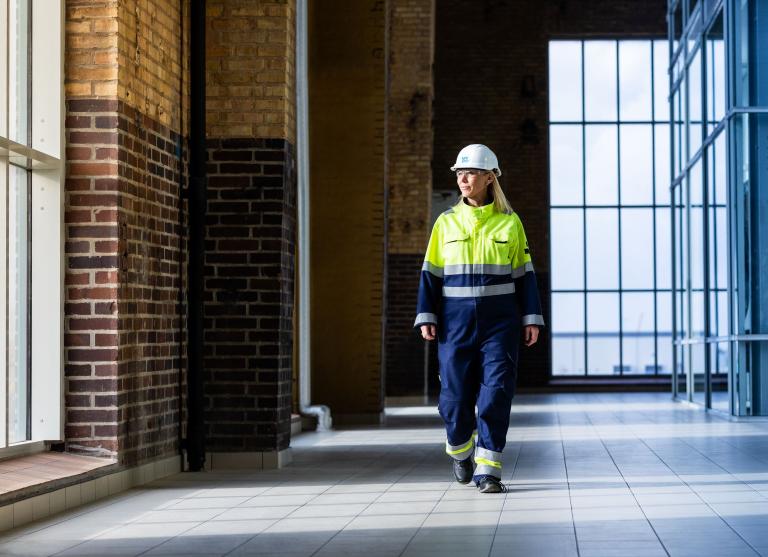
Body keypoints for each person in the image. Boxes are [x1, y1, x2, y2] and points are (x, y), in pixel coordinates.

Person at [414, 144, 544, 493]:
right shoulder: (446, 222)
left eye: (469, 173)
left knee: (496, 393)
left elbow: (525, 274)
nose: (463, 179)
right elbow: (431, 273)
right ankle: (460, 451)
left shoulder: (510, 222)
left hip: (500, 324)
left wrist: (531, 317)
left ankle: (488, 471)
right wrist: (426, 314)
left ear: (490, 177)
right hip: (454, 324)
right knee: (454, 400)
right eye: (459, 173)